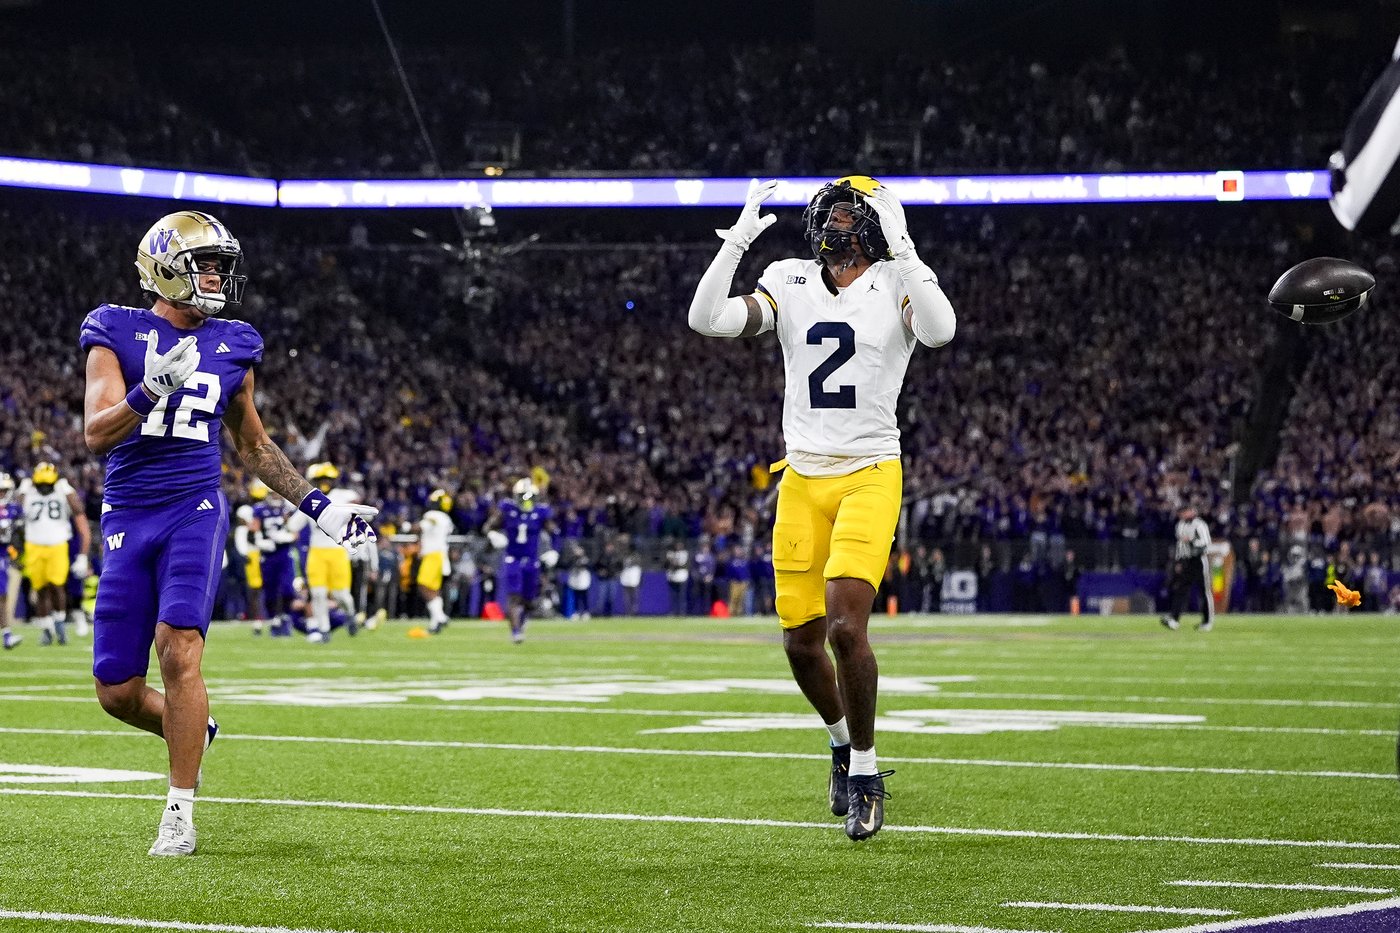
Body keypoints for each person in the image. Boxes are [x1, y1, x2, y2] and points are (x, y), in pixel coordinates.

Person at [81, 210, 377, 856]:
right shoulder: (114, 329)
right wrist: (146, 393)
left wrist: (320, 507)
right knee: (117, 690)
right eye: (204, 263)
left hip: (194, 507)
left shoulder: (235, 341)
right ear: (163, 265)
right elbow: (96, 433)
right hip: (130, 514)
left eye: (221, 265)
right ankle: (194, 728)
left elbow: (255, 445)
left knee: (179, 648)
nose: (215, 276)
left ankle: (179, 810)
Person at [687, 175, 956, 840]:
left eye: (848, 213)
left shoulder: (899, 280)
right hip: (802, 477)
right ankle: (839, 743)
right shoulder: (790, 277)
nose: (834, 223)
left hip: (870, 470)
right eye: (829, 213)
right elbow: (707, 319)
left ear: (873, 224)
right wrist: (737, 245)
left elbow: (944, 331)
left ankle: (865, 771)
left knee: (844, 628)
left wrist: (905, 243)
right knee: (801, 642)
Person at [286, 462, 365, 643]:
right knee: (319, 594)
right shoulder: (310, 500)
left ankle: (351, 615)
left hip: (337, 551)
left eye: (327, 479)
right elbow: (293, 525)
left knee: (341, 595)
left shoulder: (343, 497)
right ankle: (324, 630)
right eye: (321, 479)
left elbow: (359, 508)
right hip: (317, 553)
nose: (324, 483)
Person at [18, 461, 91, 646]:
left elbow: (80, 515)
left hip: (57, 544)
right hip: (33, 544)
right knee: (40, 589)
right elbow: (16, 513)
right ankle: (46, 628)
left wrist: (68, 490)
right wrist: (21, 491)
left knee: (57, 586)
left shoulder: (62, 490)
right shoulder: (27, 491)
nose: (44, 488)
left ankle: (59, 624)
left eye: (47, 485)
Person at [486, 478, 554, 643]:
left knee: (529, 600)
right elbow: (488, 527)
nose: (527, 499)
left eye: (530, 496)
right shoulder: (507, 509)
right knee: (514, 597)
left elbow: (554, 531)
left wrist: (553, 551)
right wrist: (493, 535)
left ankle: (520, 624)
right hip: (513, 559)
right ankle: (515, 632)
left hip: (532, 560)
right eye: (524, 496)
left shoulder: (541, 512)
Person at [1160, 503, 1214, 631]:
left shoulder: (1199, 524)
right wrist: (1178, 561)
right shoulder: (1180, 525)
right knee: (1181, 590)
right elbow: (1180, 545)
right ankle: (1174, 619)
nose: (1182, 515)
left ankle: (1207, 621)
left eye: (1184, 512)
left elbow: (1206, 542)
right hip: (1186, 561)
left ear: (1191, 511)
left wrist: (1191, 540)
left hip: (1199, 560)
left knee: (1203, 591)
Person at [249, 479, 297, 618]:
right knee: (270, 589)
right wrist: (260, 542)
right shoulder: (259, 510)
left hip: (284, 552)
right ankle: (273, 617)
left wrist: (286, 537)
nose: (276, 496)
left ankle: (286, 616)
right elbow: (253, 533)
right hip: (268, 553)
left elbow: (295, 533)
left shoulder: (287, 509)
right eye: (273, 493)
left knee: (287, 587)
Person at [414, 489, 455, 634]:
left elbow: (424, 525)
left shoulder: (433, 515)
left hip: (433, 555)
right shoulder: (446, 519)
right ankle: (436, 621)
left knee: (423, 586)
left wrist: (408, 526)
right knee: (433, 589)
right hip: (440, 555)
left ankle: (440, 616)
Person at [0, 472, 21, 649]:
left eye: (4, 491)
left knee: (3, 595)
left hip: (3, 555)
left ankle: (6, 635)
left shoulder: (13, 509)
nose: (3, 494)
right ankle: (6, 635)